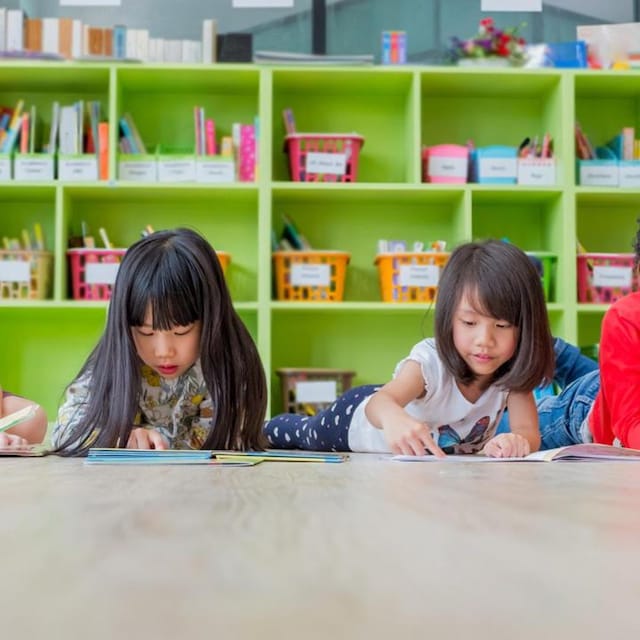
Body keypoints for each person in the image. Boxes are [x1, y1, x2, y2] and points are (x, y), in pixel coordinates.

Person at [265, 239, 555, 458]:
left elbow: (528, 431)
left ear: (525, 326)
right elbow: (381, 403)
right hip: (354, 420)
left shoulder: (511, 373)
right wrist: (394, 419)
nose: (485, 340)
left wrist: (519, 442)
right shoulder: (430, 361)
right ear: (448, 318)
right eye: (469, 322)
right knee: (306, 433)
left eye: (502, 326)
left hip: (418, 439)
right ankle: (259, 428)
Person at [52, 228, 267, 456]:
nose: (164, 351)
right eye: (145, 332)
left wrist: (157, 444)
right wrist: (120, 437)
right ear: (124, 325)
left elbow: (228, 440)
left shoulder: (230, 366)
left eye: (182, 331)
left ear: (212, 318)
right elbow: (65, 431)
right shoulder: (116, 356)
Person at [535, 221, 640, 450]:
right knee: (490, 430)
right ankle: (536, 348)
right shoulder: (627, 315)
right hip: (584, 409)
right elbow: (630, 424)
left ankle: (549, 349)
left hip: (613, 383)